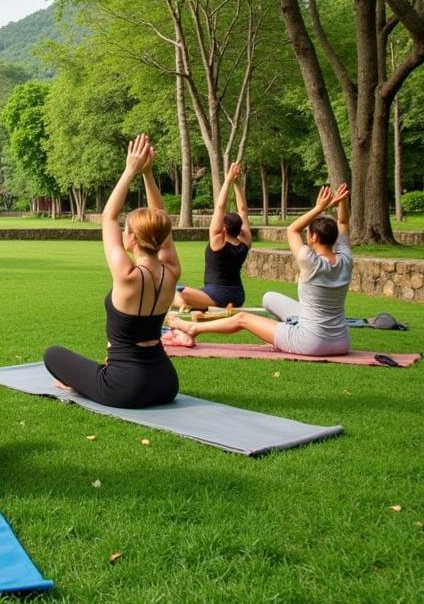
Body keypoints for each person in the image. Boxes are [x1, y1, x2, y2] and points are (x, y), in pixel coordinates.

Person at [44, 134, 181, 408]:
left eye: (126, 231)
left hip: (125, 387)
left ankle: (82, 382)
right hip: (166, 382)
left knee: (52, 355)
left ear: (130, 239)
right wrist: (148, 174)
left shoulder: (127, 275)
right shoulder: (172, 271)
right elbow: (161, 220)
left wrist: (131, 170)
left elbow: (109, 217)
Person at [166, 184, 352, 356]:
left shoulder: (309, 260)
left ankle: (193, 328)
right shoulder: (346, 258)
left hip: (311, 342)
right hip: (342, 341)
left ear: (312, 237)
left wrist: (319, 208)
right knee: (269, 298)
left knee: (243, 318)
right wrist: (341, 202)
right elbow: (343, 222)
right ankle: (283, 331)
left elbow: (292, 230)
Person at [173, 162, 253, 312]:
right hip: (237, 296)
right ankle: (194, 303)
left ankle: (184, 305)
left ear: (223, 228)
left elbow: (220, 207)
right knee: (178, 290)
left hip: (217, 296)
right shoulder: (245, 244)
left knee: (169, 288)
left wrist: (228, 180)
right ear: (239, 228)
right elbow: (243, 210)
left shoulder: (218, 242)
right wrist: (237, 184)